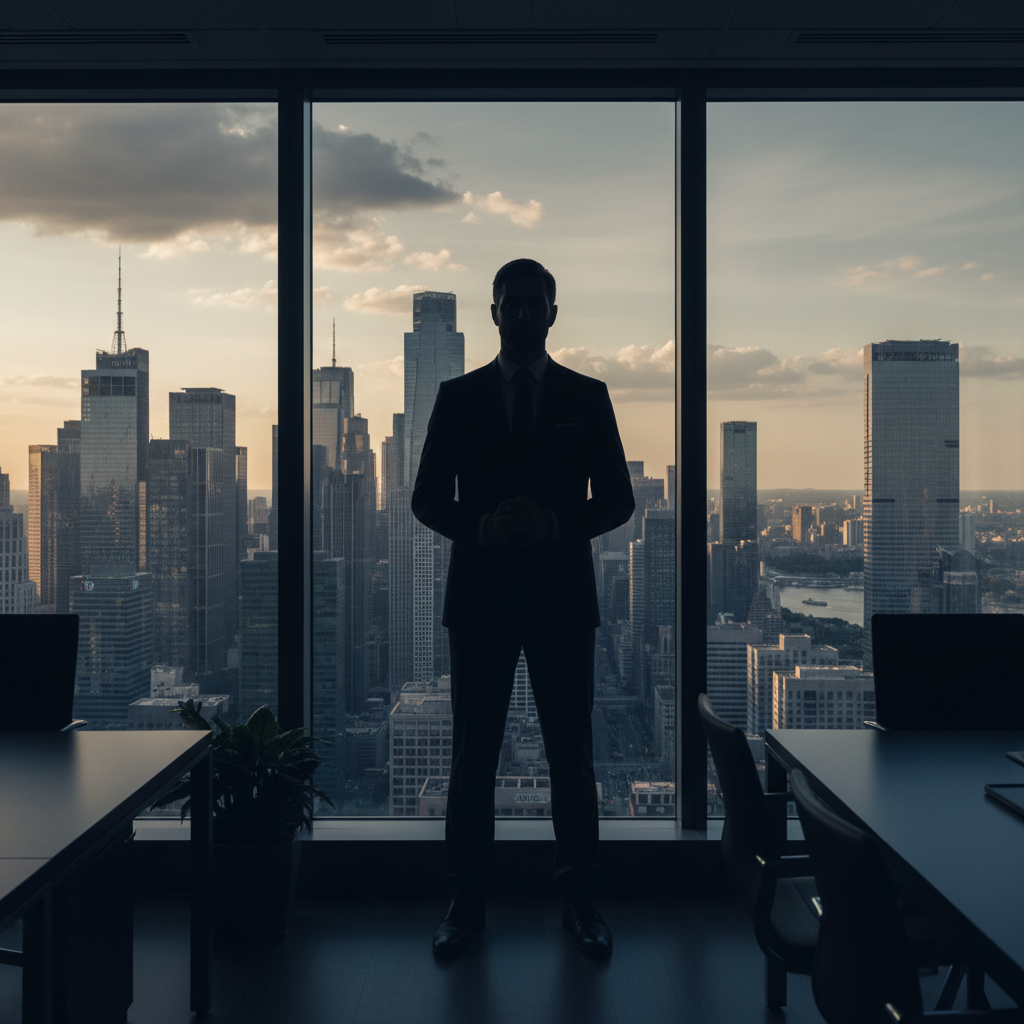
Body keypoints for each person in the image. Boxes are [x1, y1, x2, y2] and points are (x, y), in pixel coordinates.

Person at [411, 258, 635, 960]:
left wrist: (554, 525)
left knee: (573, 756)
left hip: (562, 603)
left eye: (537, 303)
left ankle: (580, 900)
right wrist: (481, 528)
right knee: (472, 756)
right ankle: (466, 901)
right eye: (514, 303)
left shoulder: (588, 396)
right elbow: (426, 499)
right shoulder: (457, 396)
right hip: (479, 603)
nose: (525, 314)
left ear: (554, 313)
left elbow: (620, 500)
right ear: (495, 311)